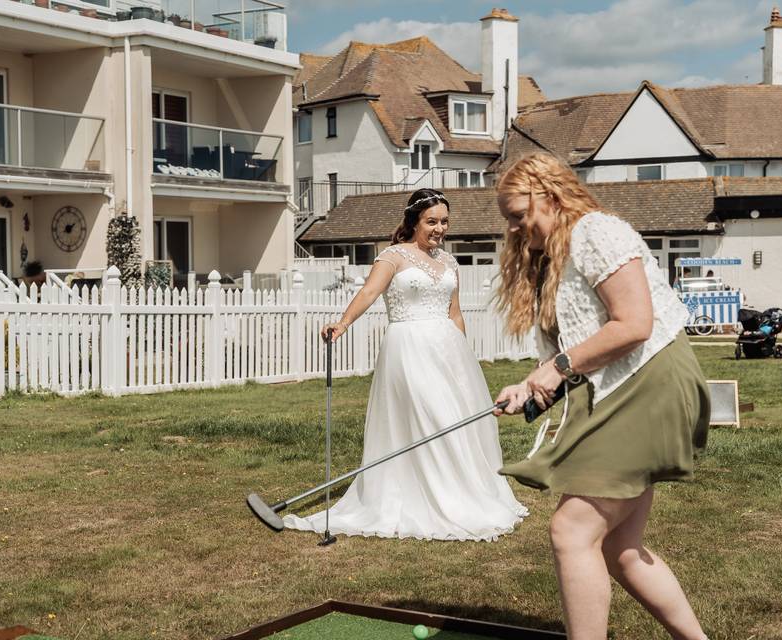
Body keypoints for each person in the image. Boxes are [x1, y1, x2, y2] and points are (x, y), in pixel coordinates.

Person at [492, 153, 710, 640]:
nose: (512, 228)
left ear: (547, 195)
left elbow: (634, 324)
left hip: (650, 383)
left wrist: (558, 368)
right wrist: (530, 386)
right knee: (620, 549)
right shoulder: (551, 260)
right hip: (619, 390)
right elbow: (575, 353)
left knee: (572, 531)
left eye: (517, 214)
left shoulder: (596, 231)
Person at [282, 188, 527, 541]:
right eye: (432, 221)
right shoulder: (393, 257)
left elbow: (454, 313)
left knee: (451, 420)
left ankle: (459, 492)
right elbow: (368, 293)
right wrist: (343, 323)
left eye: (444, 222)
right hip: (408, 347)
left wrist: (463, 358)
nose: (439, 228)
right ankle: (423, 495)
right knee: (426, 414)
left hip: (448, 349)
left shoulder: (449, 262)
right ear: (414, 221)